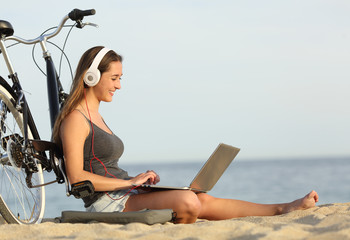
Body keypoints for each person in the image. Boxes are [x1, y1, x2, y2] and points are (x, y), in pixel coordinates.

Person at [52, 46, 319, 224]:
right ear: (91, 76)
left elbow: (104, 167)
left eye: (120, 78)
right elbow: (77, 178)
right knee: (189, 201)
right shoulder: (76, 119)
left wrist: (136, 181)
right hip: (106, 204)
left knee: (201, 197)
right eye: (114, 78)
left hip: (124, 193)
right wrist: (129, 182)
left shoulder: (96, 116)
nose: (119, 85)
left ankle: (282, 208)